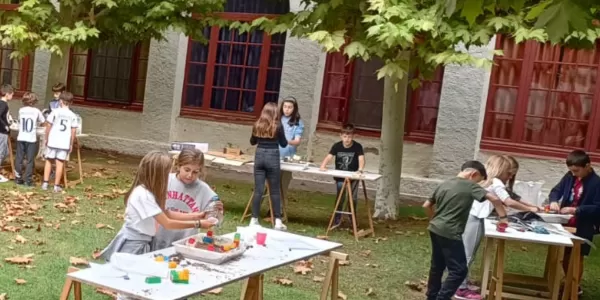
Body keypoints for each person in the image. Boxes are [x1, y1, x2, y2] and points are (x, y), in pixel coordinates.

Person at [456, 155, 542, 300]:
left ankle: (460, 282)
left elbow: (512, 197)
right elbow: (509, 202)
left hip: (470, 216)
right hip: (475, 218)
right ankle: (460, 288)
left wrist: (531, 206)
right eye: (508, 173)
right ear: (501, 170)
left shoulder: (486, 181)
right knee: (467, 254)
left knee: (465, 252)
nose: (510, 176)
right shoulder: (496, 183)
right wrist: (531, 210)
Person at [423, 160, 508, 300]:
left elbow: (426, 206)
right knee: (459, 271)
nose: (477, 185)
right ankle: (442, 297)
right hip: (450, 232)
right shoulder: (469, 186)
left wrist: (434, 219)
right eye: (478, 181)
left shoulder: (445, 183)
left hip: (435, 228)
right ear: (473, 174)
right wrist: (503, 217)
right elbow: (494, 199)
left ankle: (431, 296)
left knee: (437, 266)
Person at [549, 150, 600, 296]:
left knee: (577, 255)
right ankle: (567, 282)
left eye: (576, 170)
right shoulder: (569, 176)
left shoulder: (597, 183)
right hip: (566, 222)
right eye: (571, 171)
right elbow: (556, 190)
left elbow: (598, 207)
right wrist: (553, 201)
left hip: (584, 224)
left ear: (588, 166)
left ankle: (574, 285)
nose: (573, 174)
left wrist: (576, 209)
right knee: (564, 253)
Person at [153, 148, 224, 250]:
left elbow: (214, 215)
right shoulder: (165, 181)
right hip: (160, 237)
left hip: (185, 242)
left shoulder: (203, 189)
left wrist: (217, 213)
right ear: (178, 165)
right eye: (187, 170)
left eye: (195, 172)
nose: (190, 175)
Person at [249, 102, 288, 230]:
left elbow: (252, 141)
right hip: (273, 156)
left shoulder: (257, 124)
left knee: (258, 189)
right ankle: (277, 220)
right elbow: (283, 144)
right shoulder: (278, 126)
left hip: (259, 155)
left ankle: (254, 219)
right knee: (275, 190)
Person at [319, 124, 364, 226]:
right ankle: (337, 218)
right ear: (341, 136)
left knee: (353, 198)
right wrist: (323, 165)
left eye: (349, 137)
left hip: (353, 176)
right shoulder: (337, 146)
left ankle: (352, 218)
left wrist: (360, 169)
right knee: (340, 197)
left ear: (353, 136)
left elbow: (361, 159)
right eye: (345, 136)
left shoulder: (357, 146)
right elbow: (329, 156)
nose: (347, 139)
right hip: (340, 177)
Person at [42, 92, 79, 192]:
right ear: (71, 102)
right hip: (64, 142)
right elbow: (73, 130)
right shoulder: (73, 115)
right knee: (60, 163)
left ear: (60, 101)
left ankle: (45, 183)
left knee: (49, 161)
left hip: (53, 140)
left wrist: (46, 138)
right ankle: (56, 185)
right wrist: (71, 143)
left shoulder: (54, 112)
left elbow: (48, 126)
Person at [279, 96, 305, 215]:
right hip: (274, 154)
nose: (287, 109)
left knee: (283, 185)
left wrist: (285, 141)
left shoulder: (298, 123)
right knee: (268, 183)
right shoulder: (277, 119)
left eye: (290, 107)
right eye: (285, 107)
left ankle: (279, 210)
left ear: (294, 109)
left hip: (288, 157)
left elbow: (297, 140)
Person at [15, 93, 45, 186]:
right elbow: (43, 121)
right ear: (34, 101)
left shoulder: (21, 110)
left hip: (21, 137)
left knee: (19, 158)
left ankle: (18, 177)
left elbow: (20, 120)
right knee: (30, 160)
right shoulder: (36, 111)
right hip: (31, 138)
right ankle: (28, 180)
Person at [0, 84, 13, 183]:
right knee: (1, 152)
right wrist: (5, 125)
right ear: (7, 94)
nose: (12, 96)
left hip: (4, 132)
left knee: (6, 152)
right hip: (2, 132)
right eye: (12, 94)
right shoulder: (3, 104)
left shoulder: (4, 104)